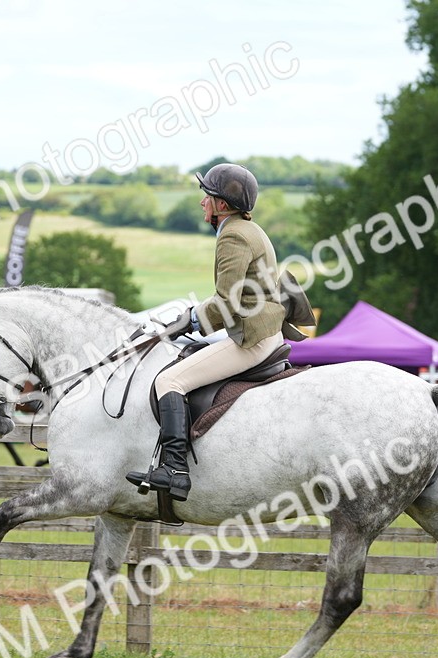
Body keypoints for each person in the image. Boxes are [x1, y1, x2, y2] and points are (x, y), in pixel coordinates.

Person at [125, 163, 315, 501]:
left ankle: (174, 470)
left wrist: (191, 319)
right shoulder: (251, 230)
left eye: (207, 196)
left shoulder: (233, 235)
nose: (202, 202)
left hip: (251, 339)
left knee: (168, 381)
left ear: (222, 205)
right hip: (261, 331)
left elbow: (226, 300)